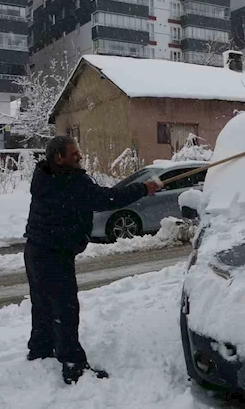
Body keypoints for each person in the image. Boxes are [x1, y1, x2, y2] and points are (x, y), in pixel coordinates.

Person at [23, 136, 162, 384]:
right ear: (59, 157)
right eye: (74, 153)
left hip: (35, 249)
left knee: (42, 301)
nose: (79, 156)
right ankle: (73, 365)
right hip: (54, 252)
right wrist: (144, 188)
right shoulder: (70, 181)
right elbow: (107, 199)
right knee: (65, 308)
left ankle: (40, 347)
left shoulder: (45, 175)